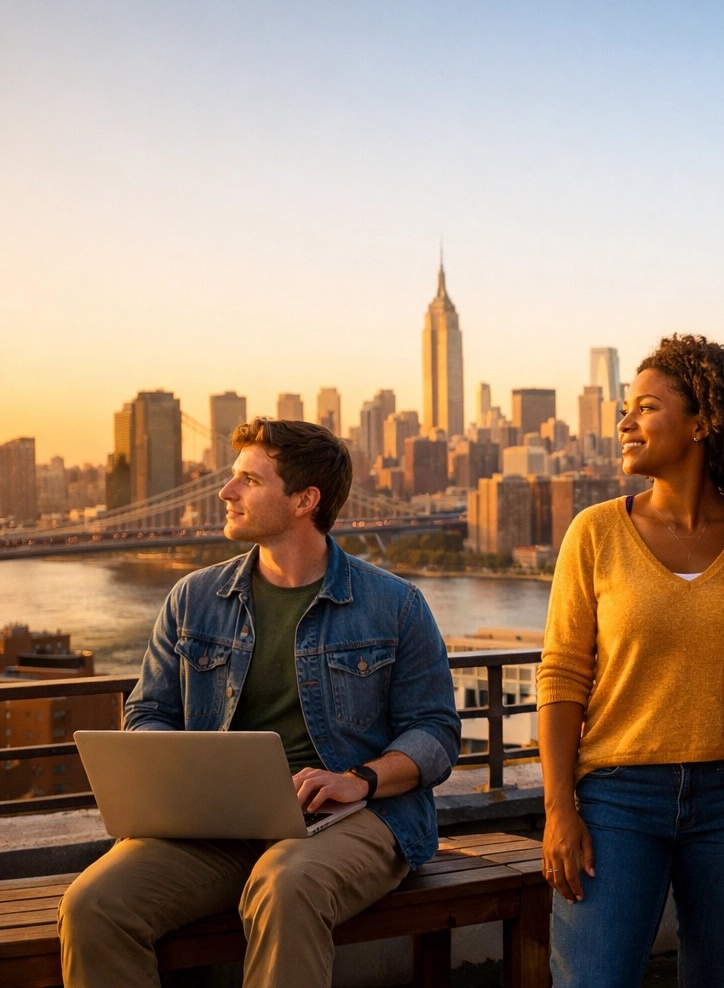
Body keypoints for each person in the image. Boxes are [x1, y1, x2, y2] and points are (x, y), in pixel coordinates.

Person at [58, 419, 460, 987]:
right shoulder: (194, 598)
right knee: (94, 904)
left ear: (304, 499)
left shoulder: (394, 605)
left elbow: (436, 733)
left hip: (354, 819)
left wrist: (360, 779)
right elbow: (149, 712)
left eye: (248, 479)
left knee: (285, 885)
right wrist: (178, 773)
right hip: (217, 824)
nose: (226, 492)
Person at [536, 334, 724, 988]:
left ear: (703, 422)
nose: (624, 422)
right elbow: (562, 677)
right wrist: (559, 808)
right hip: (615, 797)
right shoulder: (594, 532)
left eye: (646, 407)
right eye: (625, 407)